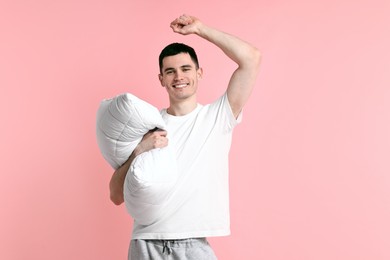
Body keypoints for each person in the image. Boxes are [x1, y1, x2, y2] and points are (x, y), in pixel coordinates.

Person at [109, 14, 261, 259]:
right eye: (170, 71)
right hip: (146, 244)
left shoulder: (218, 116)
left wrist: (200, 29)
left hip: (193, 245)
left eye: (185, 69)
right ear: (161, 80)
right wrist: (139, 151)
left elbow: (251, 58)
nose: (178, 77)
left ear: (199, 73)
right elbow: (115, 195)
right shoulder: (146, 127)